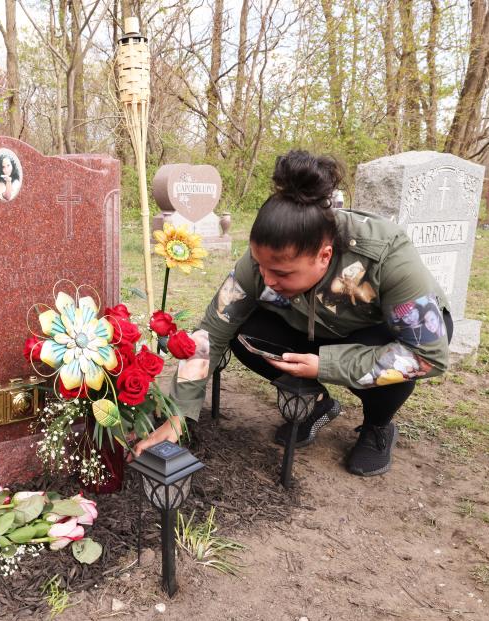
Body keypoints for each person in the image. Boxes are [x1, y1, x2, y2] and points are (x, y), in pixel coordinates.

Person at [134, 150, 453, 477]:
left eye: (282, 274)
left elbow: (425, 353)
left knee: (397, 360)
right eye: (261, 267)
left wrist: (326, 365)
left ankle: (377, 426)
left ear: (324, 256)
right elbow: (213, 332)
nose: (268, 280)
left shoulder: (386, 255)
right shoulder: (269, 257)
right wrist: (179, 415)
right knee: (244, 332)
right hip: (311, 328)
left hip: (376, 333)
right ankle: (316, 405)